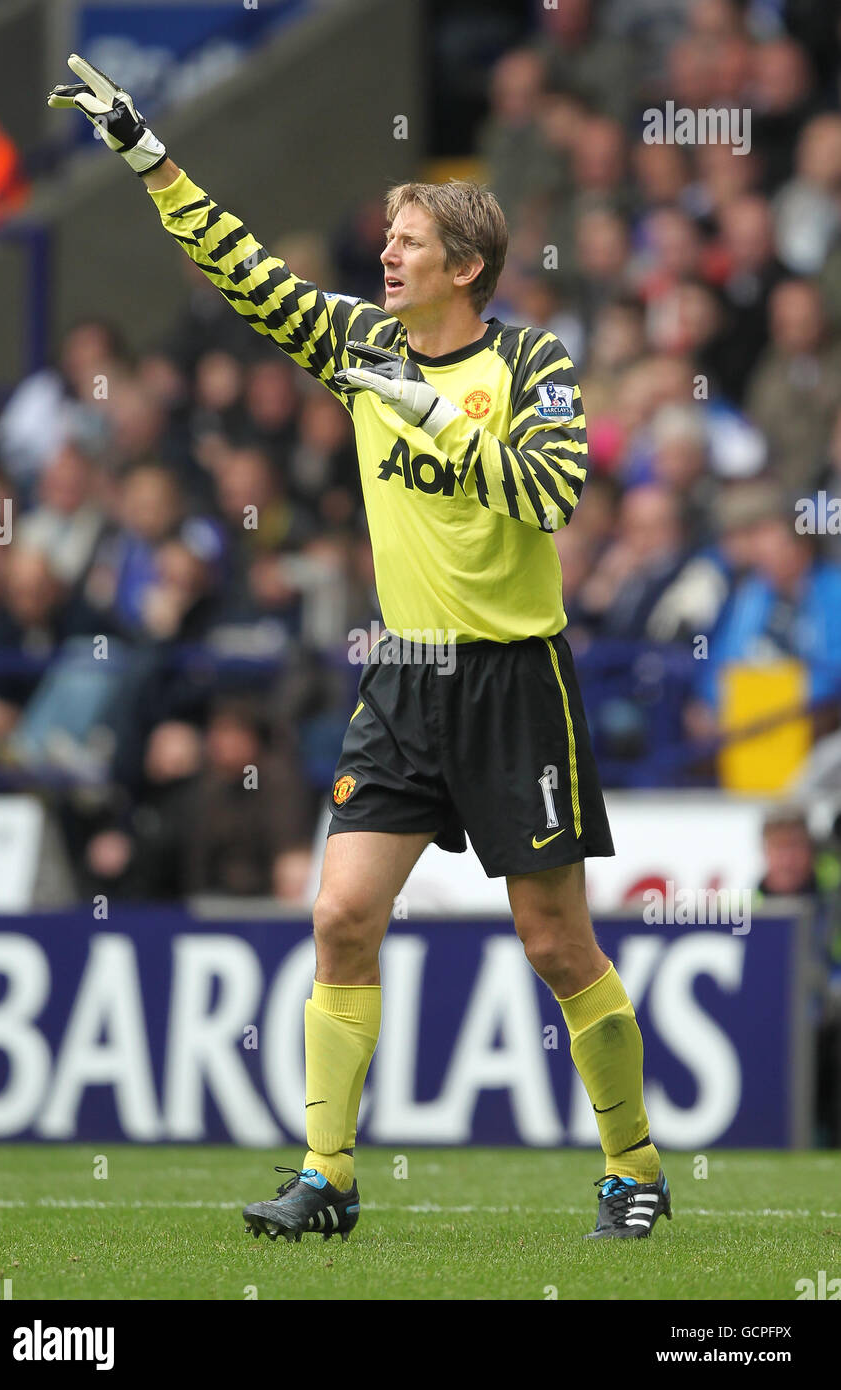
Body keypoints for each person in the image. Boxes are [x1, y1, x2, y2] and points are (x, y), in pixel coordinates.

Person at [48, 54, 671, 1244]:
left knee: (553, 940)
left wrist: (430, 411)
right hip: (405, 675)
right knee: (339, 916)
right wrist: (147, 156)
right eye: (385, 235)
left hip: (513, 678)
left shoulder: (528, 364)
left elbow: (549, 496)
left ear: (465, 267)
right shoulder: (354, 342)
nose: (383, 254)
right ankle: (325, 1176)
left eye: (406, 240)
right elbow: (240, 269)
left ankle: (632, 1165)